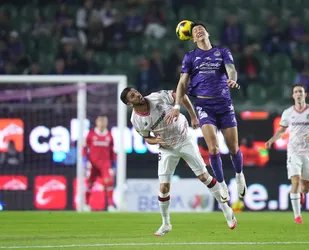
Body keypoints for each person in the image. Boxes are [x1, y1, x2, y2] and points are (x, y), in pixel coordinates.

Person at [120, 87, 237, 236]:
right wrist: (154, 140)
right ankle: (166, 224)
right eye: (132, 96)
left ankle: (226, 210)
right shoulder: (135, 120)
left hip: (184, 139)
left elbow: (180, 95)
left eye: (135, 92)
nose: (137, 94)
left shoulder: (157, 97)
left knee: (203, 177)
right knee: (163, 188)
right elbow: (146, 137)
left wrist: (193, 116)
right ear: (129, 103)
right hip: (166, 148)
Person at [165, 22, 247, 202]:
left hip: (225, 104)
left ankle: (240, 176)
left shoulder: (222, 52)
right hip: (204, 106)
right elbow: (182, 83)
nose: (199, 31)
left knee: (233, 148)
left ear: (207, 33)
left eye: (201, 29)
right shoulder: (190, 57)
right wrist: (178, 106)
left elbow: (231, 70)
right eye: (195, 31)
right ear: (193, 38)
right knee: (213, 147)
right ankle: (223, 184)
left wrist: (232, 80)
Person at [265, 84, 309, 224]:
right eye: (296, 92)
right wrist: (271, 140)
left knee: (307, 187)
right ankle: (297, 216)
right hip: (294, 151)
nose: (298, 94)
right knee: (295, 180)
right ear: (293, 95)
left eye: (300, 92)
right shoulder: (288, 112)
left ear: (305, 94)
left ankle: (302, 194)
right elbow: (281, 131)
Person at [83, 115, 116, 211]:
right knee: (89, 184)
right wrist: (86, 162)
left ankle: (110, 205)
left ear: (106, 122)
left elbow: (112, 151)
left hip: (105, 164)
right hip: (93, 164)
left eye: (104, 121)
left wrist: (113, 165)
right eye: (100, 121)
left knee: (109, 183)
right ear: (97, 122)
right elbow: (85, 149)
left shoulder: (109, 135)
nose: (102, 123)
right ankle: (86, 204)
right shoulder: (91, 134)